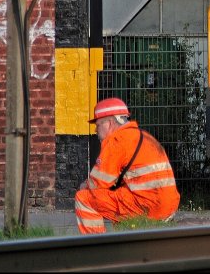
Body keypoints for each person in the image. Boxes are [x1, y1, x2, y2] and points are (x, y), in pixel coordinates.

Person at [74, 97, 180, 234]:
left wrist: (84, 186)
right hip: (169, 205)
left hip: (149, 207)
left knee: (84, 198)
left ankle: (95, 247)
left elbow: (98, 183)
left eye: (98, 124)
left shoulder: (116, 140)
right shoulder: (143, 136)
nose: (95, 130)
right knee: (117, 195)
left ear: (109, 123)